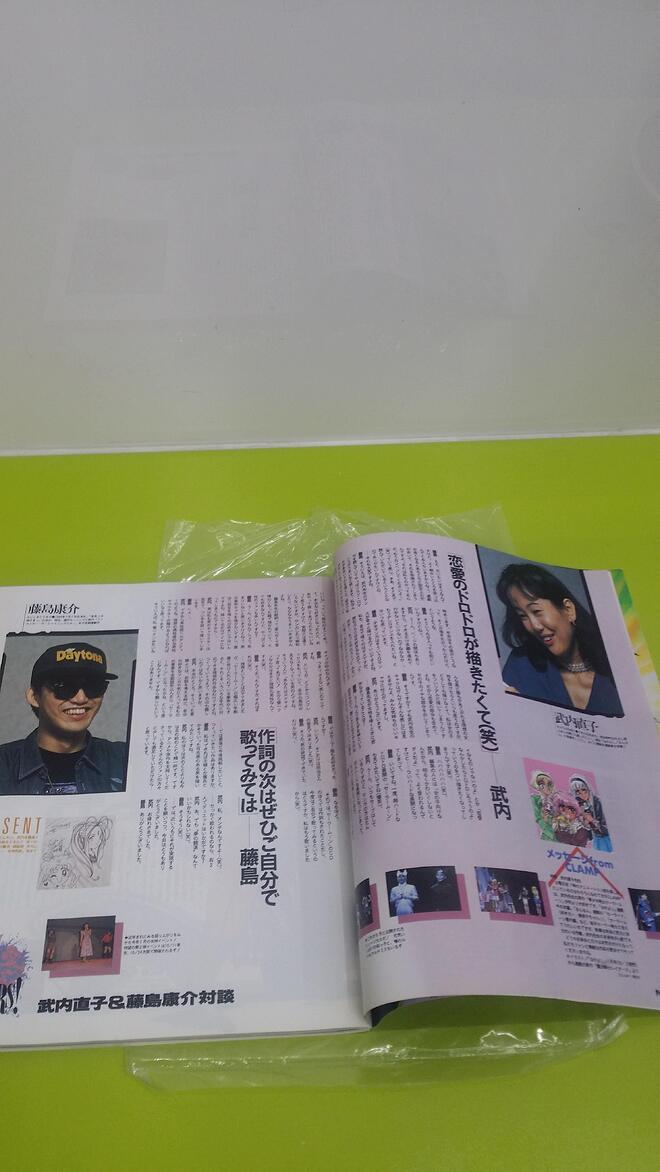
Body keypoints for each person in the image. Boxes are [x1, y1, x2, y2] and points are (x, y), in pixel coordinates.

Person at [495, 563, 623, 717]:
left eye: (536, 611)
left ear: (569, 610)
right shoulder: (522, 665)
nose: (534, 626)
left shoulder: (618, 668)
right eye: (522, 616)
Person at [0, 642, 127, 795]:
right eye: (64, 686)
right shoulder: (4, 764)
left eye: (94, 686)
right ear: (34, 696)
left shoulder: (126, 759)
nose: (81, 699)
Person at [569, 775, 612, 852]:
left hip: (607, 838)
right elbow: (589, 835)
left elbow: (607, 827)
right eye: (578, 792)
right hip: (597, 839)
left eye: (584, 790)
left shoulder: (598, 802)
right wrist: (586, 824)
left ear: (588, 788)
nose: (582, 794)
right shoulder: (582, 805)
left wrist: (592, 820)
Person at [529, 770, 557, 840]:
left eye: (549, 784)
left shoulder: (556, 800)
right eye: (542, 785)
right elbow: (538, 819)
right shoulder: (534, 799)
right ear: (538, 787)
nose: (547, 787)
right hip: (547, 835)